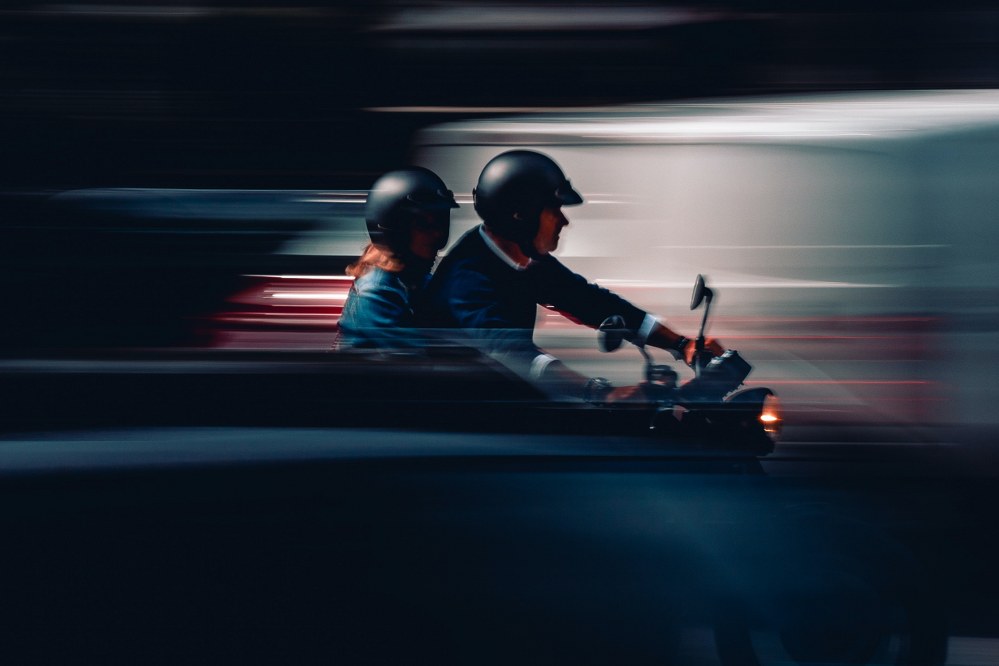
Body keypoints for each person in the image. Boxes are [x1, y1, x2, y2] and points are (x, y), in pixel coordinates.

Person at [419, 149, 723, 401]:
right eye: (554, 210)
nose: (564, 221)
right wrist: (601, 393)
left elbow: (588, 301)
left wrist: (681, 345)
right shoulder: (467, 281)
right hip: (474, 421)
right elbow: (515, 355)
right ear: (521, 215)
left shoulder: (523, 261)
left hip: (510, 405)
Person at [333, 167, 458, 350]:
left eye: (440, 222)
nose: (437, 234)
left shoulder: (415, 279)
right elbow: (415, 359)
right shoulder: (376, 292)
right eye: (424, 225)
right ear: (397, 230)